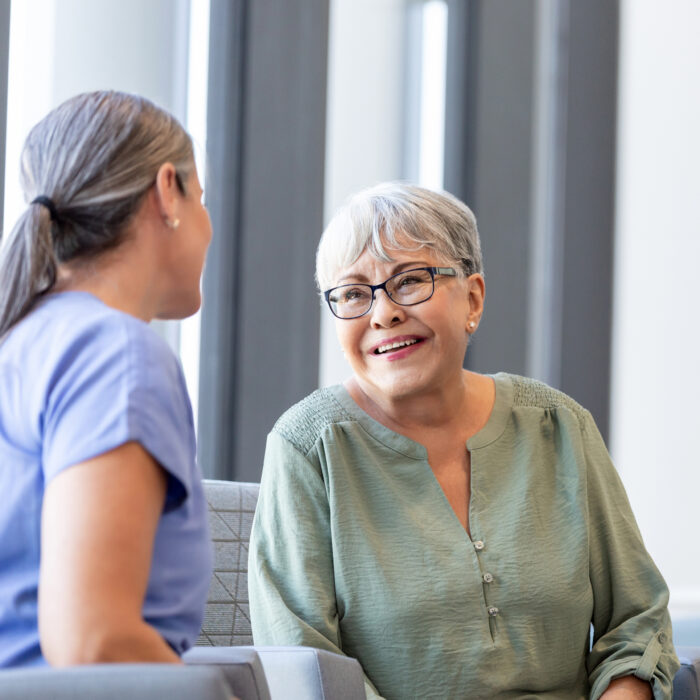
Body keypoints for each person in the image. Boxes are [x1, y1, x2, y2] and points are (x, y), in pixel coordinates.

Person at [248, 182, 679, 699]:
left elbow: (637, 620)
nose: (383, 313)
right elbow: (300, 669)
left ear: (472, 297)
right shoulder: (307, 448)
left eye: (410, 281)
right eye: (354, 294)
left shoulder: (558, 426)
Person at [0, 91, 213, 668]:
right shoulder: (115, 355)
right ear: (168, 191)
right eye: (204, 198)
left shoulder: (26, 341)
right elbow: (93, 640)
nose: (210, 225)